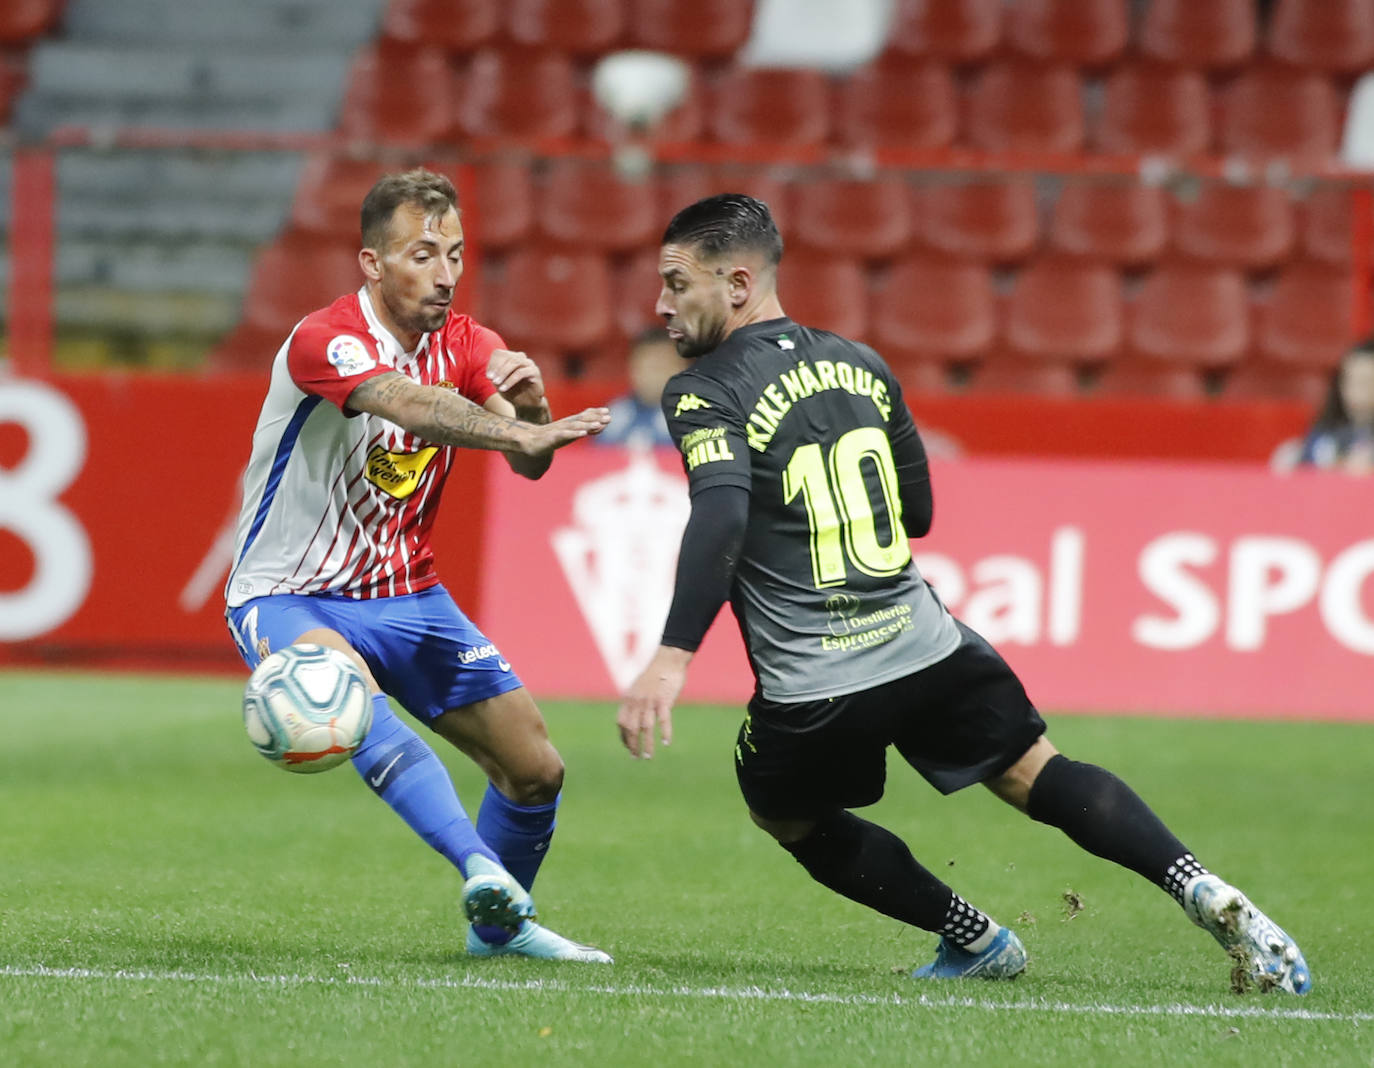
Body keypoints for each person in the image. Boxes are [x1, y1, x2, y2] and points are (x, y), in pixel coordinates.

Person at [617, 193, 1310, 993]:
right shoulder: (863, 363)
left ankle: (973, 937)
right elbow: (919, 512)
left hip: (818, 681)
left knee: (786, 815)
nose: (660, 304)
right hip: (927, 644)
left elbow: (722, 514)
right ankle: (1205, 888)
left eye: (677, 282)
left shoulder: (702, 391)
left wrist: (673, 655)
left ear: (737, 284)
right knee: (1034, 771)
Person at [225, 168, 613, 963]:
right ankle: (479, 867)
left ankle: (496, 935)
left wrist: (532, 414)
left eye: (457, 255)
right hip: (292, 595)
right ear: (372, 263)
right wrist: (515, 433)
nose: (445, 274)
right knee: (353, 705)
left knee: (535, 768)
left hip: (408, 593)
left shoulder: (471, 343)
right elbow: (407, 403)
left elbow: (527, 455)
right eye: (423, 254)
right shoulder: (323, 339)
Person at [593, 326, 690, 449]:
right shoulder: (613, 416)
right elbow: (597, 462)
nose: (655, 375)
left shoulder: (698, 418)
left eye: (663, 366)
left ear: (682, 369)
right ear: (632, 369)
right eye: (649, 366)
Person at [1294, 338, 1374, 474]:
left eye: (1367, 382)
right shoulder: (1325, 432)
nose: (1359, 391)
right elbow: (1302, 471)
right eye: (1352, 380)